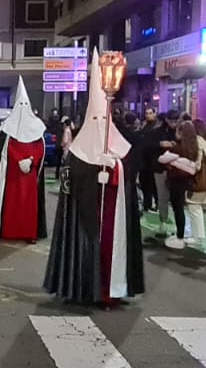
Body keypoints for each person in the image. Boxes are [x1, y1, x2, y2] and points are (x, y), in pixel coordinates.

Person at [43, 55, 144, 304]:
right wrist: (92, 173)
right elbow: (69, 181)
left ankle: (112, 291)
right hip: (84, 219)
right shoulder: (77, 151)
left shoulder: (121, 148)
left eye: (103, 120)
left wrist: (114, 168)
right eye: (95, 120)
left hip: (114, 217)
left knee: (113, 251)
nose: (100, 125)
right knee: (88, 253)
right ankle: (84, 290)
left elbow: (130, 177)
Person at [0, 78, 47, 242]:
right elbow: (4, 147)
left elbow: (39, 147)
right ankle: (9, 231)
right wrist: (18, 159)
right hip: (12, 175)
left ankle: (29, 233)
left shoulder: (37, 126)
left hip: (29, 176)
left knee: (28, 206)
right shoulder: (7, 126)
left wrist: (31, 160)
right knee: (11, 204)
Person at [157, 118, 206, 250]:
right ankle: (190, 236)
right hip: (188, 182)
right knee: (186, 209)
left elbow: (162, 158)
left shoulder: (178, 148)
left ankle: (180, 237)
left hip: (178, 182)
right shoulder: (195, 148)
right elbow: (193, 167)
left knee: (180, 210)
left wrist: (175, 161)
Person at [133, 107, 169, 230]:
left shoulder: (156, 130)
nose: (148, 115)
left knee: (154, 187)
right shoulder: (144, 127)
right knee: (145, 184)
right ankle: (148, 204)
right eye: (146, 113)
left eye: (150, 113)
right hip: (144, 162)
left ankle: (157, 206)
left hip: (154, 163)